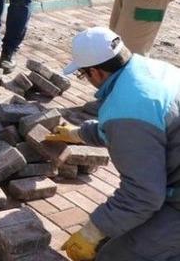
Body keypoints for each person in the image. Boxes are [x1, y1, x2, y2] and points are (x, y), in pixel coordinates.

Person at [48, 27, 180, 261]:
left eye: (83, 75)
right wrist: (77, 134)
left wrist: (91, 233)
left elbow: (144, 194)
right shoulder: (150, 70)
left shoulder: (128, 109)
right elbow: (132, 129)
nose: (86, 81)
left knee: (113, 256)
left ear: (95, 72)